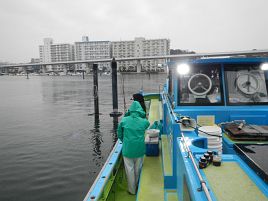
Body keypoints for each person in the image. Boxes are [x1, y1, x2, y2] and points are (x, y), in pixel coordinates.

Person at [117, 101, 150, 195]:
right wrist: (142, 116)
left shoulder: (124, 120)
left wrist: (125, 141)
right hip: (139, 149)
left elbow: (119, 133)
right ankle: (137, 186)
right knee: (137, 168)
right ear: (140, 110)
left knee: (129, 170)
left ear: (130, 110)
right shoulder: (143, 121)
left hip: (127, 149)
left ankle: (132, 190)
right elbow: (147, 123)